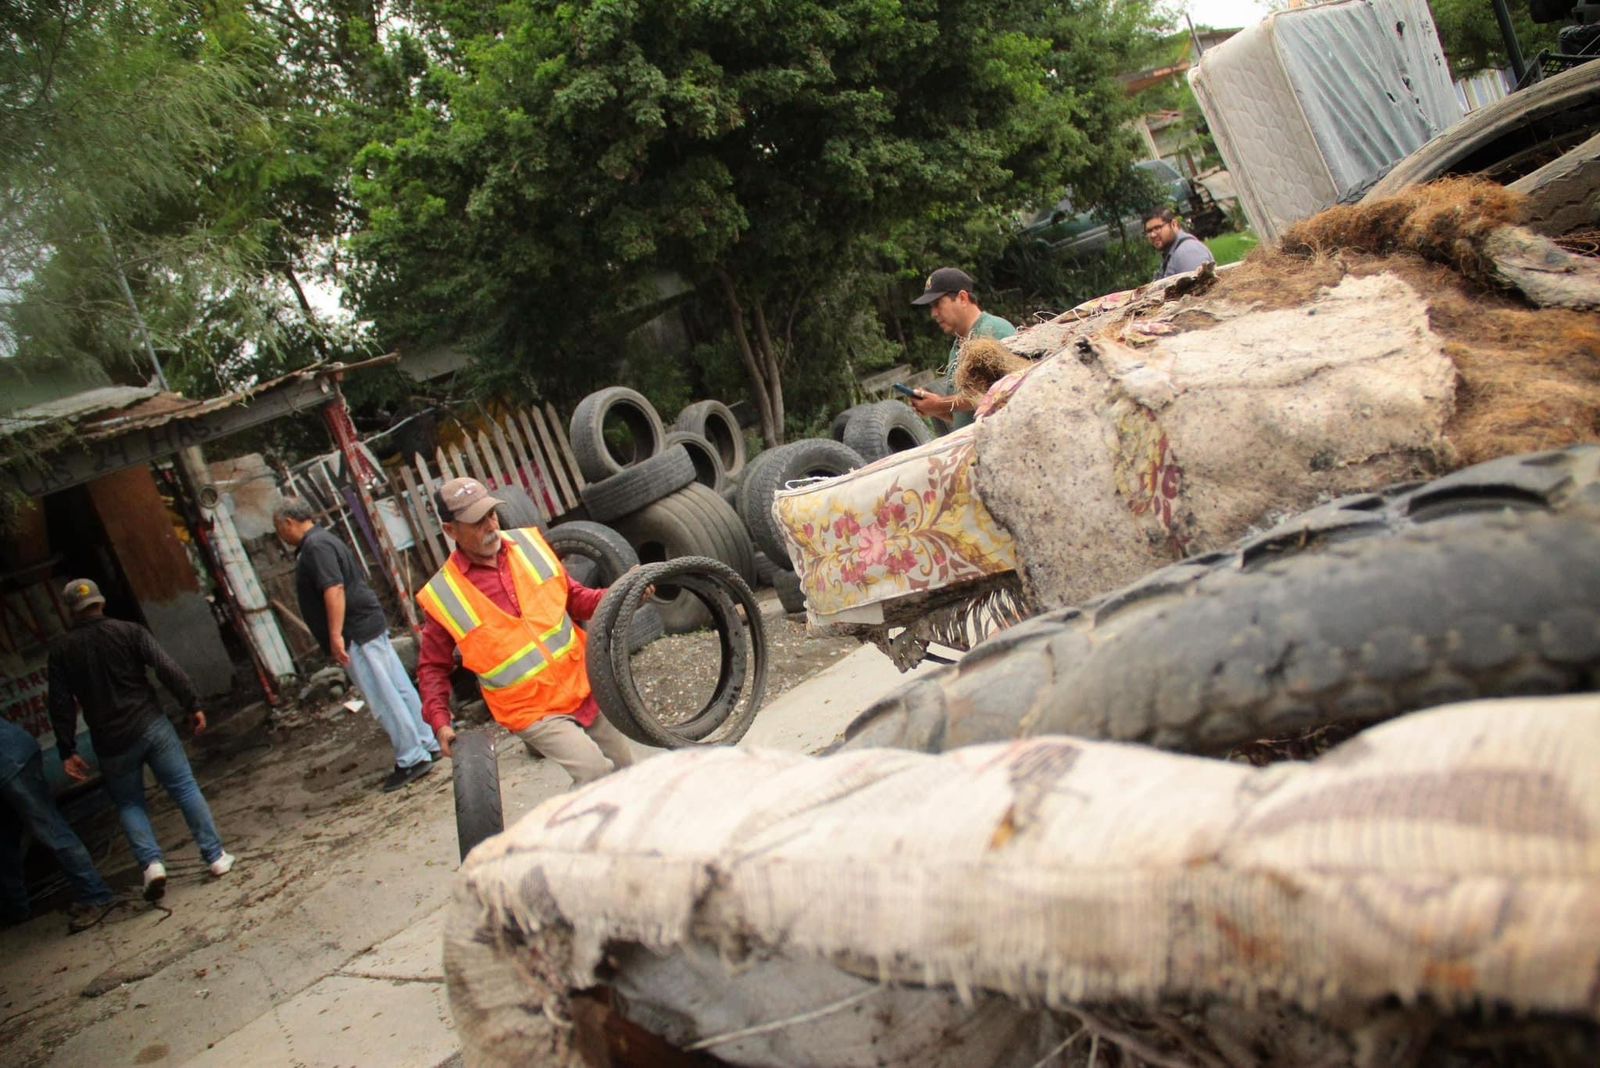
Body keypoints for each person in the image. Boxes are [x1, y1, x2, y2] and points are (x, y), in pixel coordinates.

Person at [416, 477, 635, 787]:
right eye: (476, 522)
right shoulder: (444, 595)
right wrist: (440, 724)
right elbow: (432, 668)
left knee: (628, 770)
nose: (490, 525)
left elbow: (574, 599)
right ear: (451, 531)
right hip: (531, 709)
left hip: (582, 684)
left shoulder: (530, 546)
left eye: (490, 514)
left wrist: (624, 593)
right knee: (594, 772)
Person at [47, 579, 234, 902]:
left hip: (110, 740)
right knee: (184, 787)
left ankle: (151, 865)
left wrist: (67, 749)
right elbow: (167, 668)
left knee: (130, 803)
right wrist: (191, 704)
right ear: (101, 602)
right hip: (151, 725)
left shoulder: (62, 651)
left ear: (71, 612)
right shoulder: (129, 631)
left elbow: (60, 703)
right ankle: (215, 857)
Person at [274, 498, 439, 793]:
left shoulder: (315, 547)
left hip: (355, 630)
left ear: (288, 522)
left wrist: (336, 634)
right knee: (398, 686)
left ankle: (412, 756)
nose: (281, 537)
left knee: (383, 695)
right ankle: (428, 740)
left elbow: (333, 589)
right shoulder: (323, 540)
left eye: (279, 529)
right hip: (365, 622)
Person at [0, 719, 125, 932]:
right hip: (16, 753)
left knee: (50, 829)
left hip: (10, 763)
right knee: (6, 841)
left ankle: (97, 895)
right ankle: (16, 909)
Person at [907, 267, 1016, 433]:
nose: (933, 314)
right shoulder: (957, 347)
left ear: (963, 298)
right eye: (931, 307)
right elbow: (966, 415)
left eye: (937, 304)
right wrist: (935, 409)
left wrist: (940, 404)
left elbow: (994, 395)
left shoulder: (993, 331)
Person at [1146, 208, 1215, 281]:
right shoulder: (1172, 252)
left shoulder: (1187, 251)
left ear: (1174, 224)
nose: (1153, 235)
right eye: (1149, 231)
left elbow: (1199, 289)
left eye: (1157, 228)